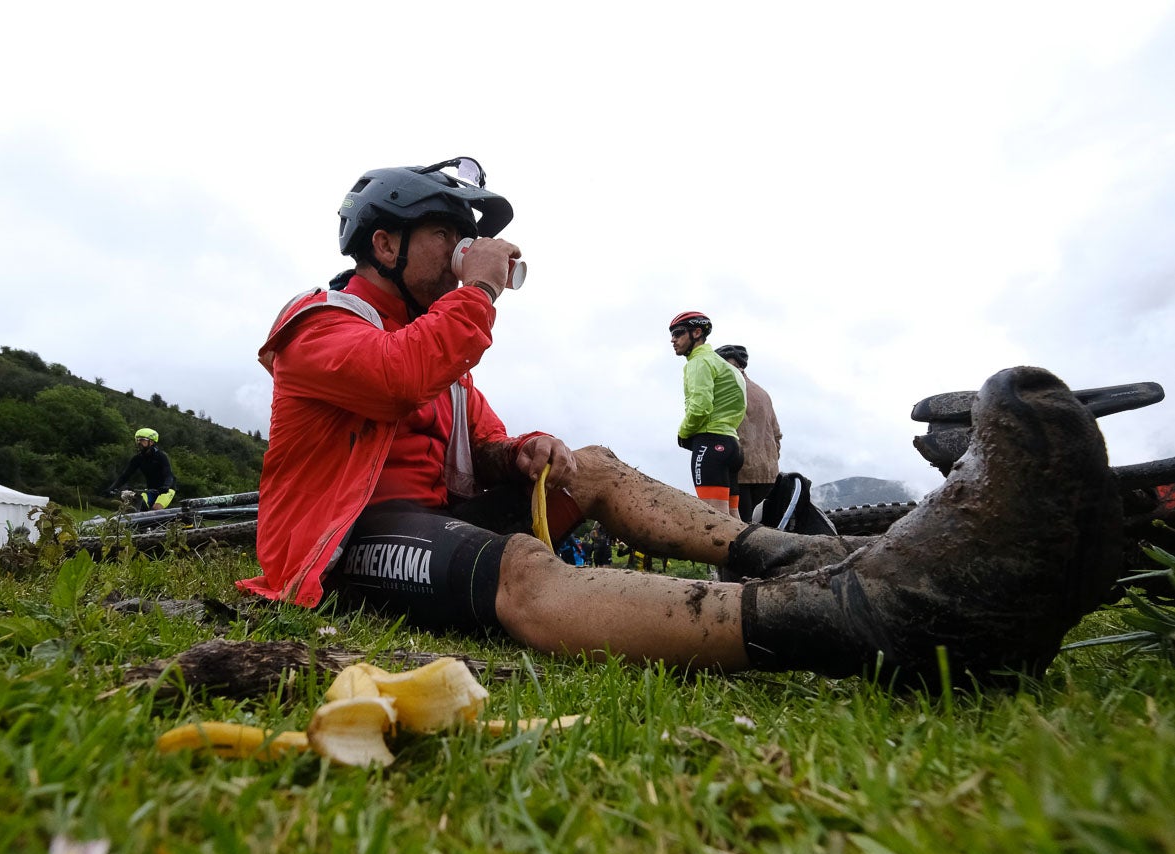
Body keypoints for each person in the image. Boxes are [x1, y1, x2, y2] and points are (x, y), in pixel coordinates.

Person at [236, 157, 1123, 690]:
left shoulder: (443, 350)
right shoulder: (321, 323)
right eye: (448, 233)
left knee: (595, 464)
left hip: (432, 518)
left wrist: (525, 453)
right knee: (523, 573)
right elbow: (393, 381)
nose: (467, 247)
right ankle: (851, 620)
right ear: (384, 243)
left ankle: (823, 560)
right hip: (345, 544)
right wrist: (476, 289)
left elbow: (480, 446)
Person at [672, 311, 747, 519]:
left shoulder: (699, 362)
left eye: (678, 333)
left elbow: (700, 408)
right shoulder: (723, 364)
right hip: (732, 445)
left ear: (697, 332)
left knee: (714, 522)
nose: (673, 339)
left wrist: (683, 433)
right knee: (734, 520)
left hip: (710, 444)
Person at [715, 345, 783, 522]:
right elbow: (777, 435)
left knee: (741, 529)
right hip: (769, 474)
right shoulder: (763, 393)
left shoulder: (725, 389)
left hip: (739, 474)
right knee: (766, 528)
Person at [106, 428, 176, 511]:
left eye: (142, 440)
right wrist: (111, 489)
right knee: (139, 507)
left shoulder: (161, 456)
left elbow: (168, 475)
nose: (139, 443)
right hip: (150, 490)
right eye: (137, 440)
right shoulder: (138, 458)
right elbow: (125, 476)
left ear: (152, 442)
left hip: (167, 489)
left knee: (156, 508)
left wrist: (166, 486)